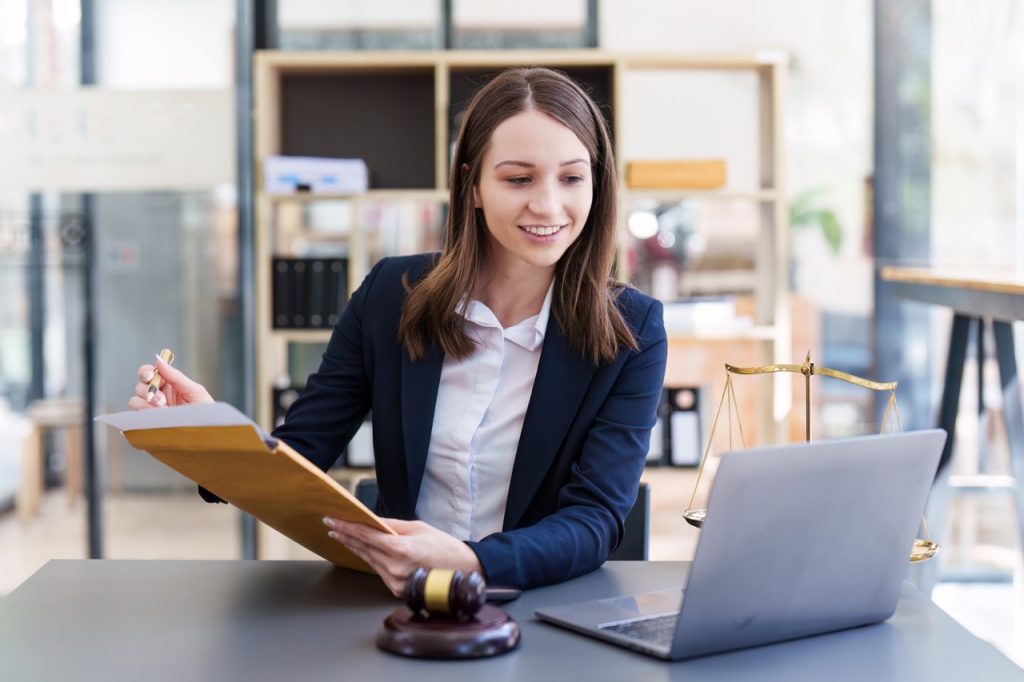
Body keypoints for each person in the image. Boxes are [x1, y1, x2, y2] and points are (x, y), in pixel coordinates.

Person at [130, 67, 667, 595]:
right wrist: (205, 436)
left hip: (540, 605)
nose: (548, 205)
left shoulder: (634, 330)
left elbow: (595, 519)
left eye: (572, 177)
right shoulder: (392, 294)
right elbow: (302, 450)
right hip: (397, 602)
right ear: (472, 185)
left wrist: (472, 561)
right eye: (518, 178)